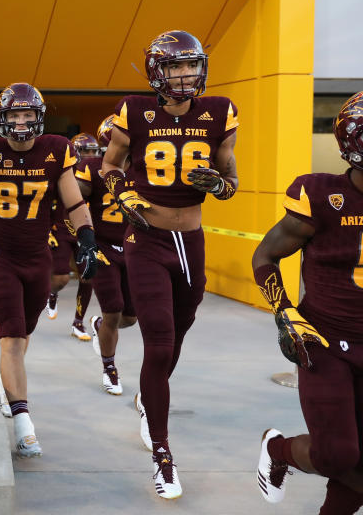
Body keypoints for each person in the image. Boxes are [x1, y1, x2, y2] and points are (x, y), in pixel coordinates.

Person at [101, 30, 240, 499]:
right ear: (157, 71)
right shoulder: (134, 110)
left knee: (178, 336)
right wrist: (124, 193)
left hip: (191, 240)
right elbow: (110, 166)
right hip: (147, 238)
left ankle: (148, 396)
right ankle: (163, 454)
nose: (185, 75)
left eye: (191, 66)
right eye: (176, 67)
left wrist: (218, 184)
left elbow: (231, 180)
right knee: (159, 342)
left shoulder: (218, 112)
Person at [0, 83, 103, 457]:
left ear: (39, 117)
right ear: (3, 120)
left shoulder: (56, 149)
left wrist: (87, 239)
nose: (21, 122)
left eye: (27, 115)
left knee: (24, 333)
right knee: (13, 338)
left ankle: (6, 386)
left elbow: (73, 201)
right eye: (14, 115)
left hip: (37, 255)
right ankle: (24, 423)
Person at [253, 92, 363, 512]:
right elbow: (265, 255)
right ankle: (277, 449)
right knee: (338, 456)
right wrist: (286, 314)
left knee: (357, 467)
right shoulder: (321, 195)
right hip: (324, 341)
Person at [77, 117, 138, 395]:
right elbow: (74, 204)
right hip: (103, 246)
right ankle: (109, 368)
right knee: (113, 309)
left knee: (130, 317)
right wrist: (82, 240)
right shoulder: (91, 168)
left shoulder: (143, 170)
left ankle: (99, 326)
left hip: (134, 248)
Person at [49, 132, 102, 340]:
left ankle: (78, 322)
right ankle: (52, 293)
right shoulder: (63, 172)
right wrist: (47, 229)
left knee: (88, 278)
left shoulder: (99, 172)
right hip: (62, 229)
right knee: (61, 277)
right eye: (85, 151)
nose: (90, 155)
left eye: (92, 151)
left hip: (86, 232)